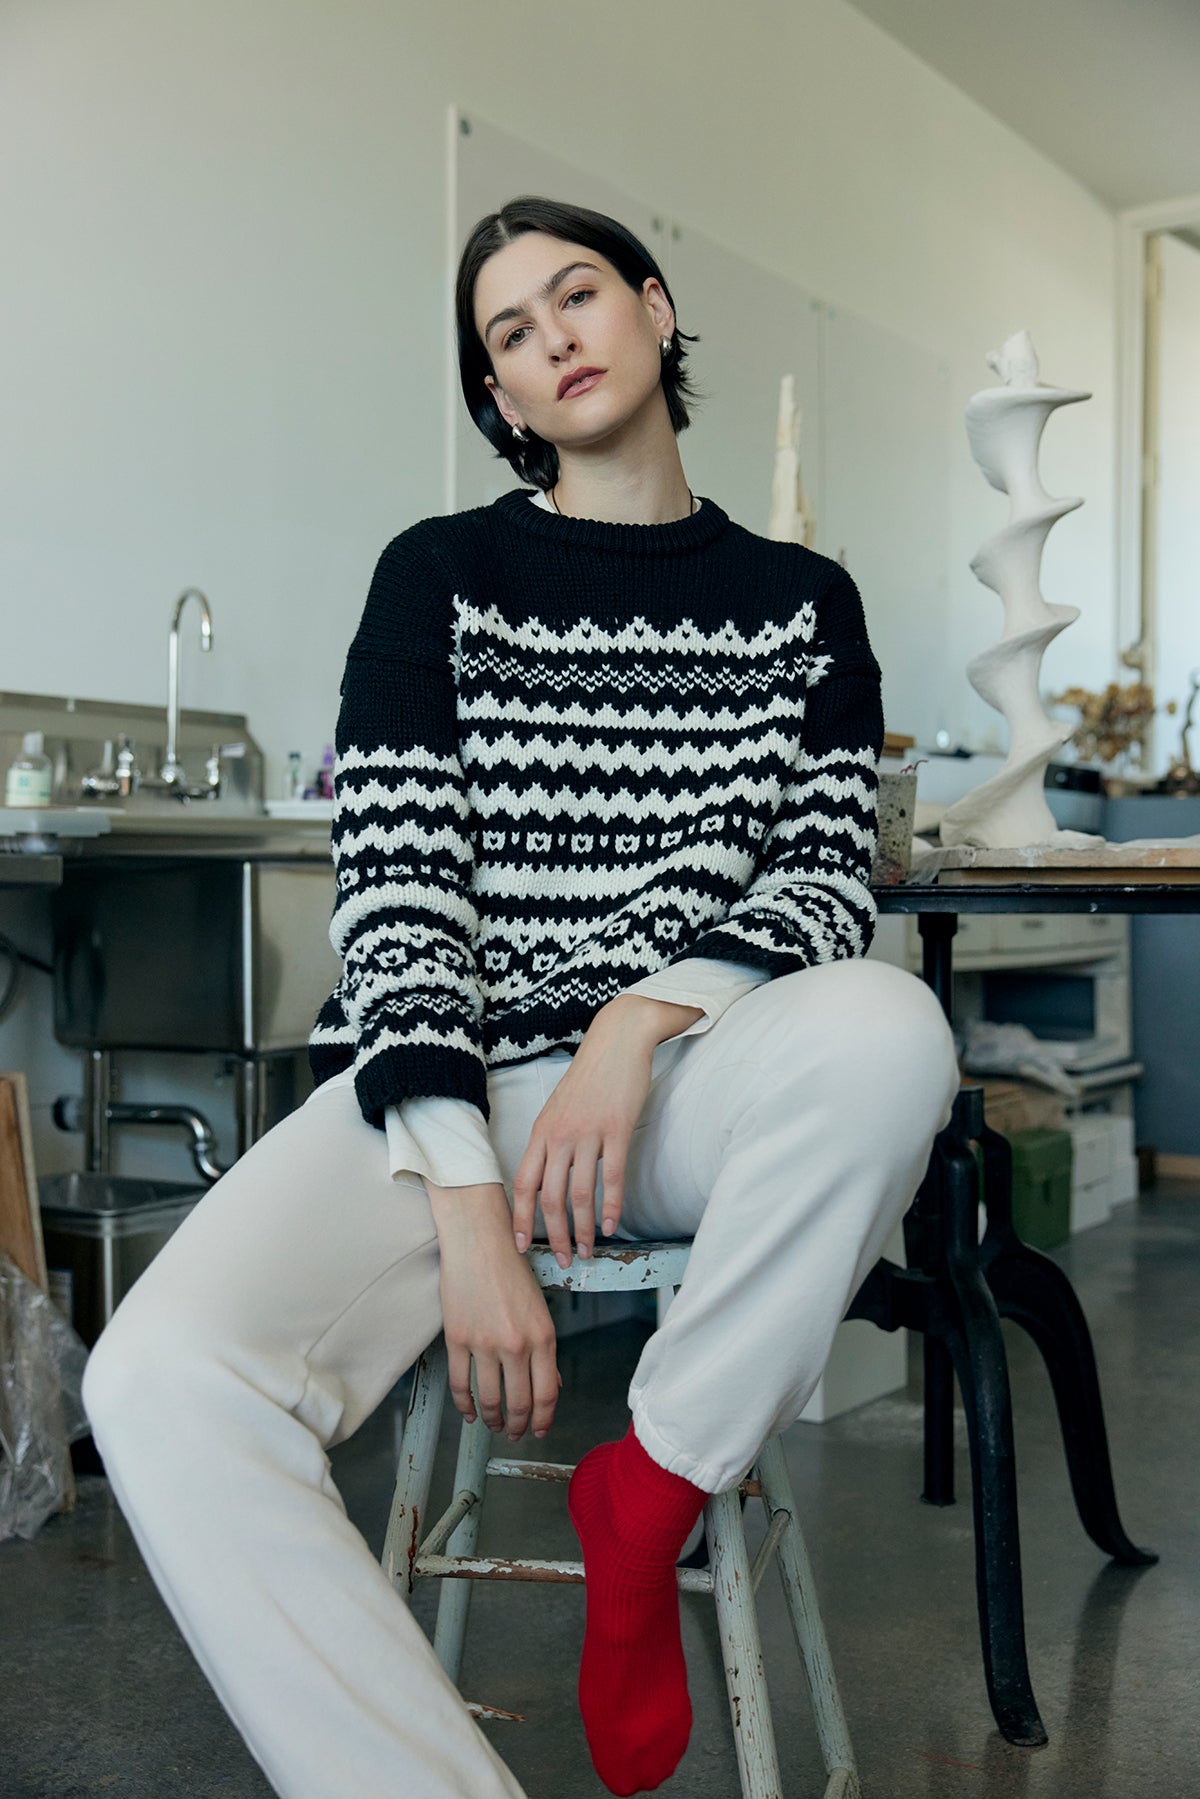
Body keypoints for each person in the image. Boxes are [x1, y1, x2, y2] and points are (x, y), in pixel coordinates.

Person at [82, 194, 960, 1799]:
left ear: (655, 306)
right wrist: (471, 1212)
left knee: (895, 1030)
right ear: (496, 397)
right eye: (508, 330)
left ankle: (657, 1481)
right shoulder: (439, 576)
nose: (553, 334)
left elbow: (824, 876)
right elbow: (401, 892)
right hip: (447, 1091)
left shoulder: (804, 605)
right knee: (154, 1377)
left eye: (577, 294)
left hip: (679, 1076)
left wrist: (637, 1024)